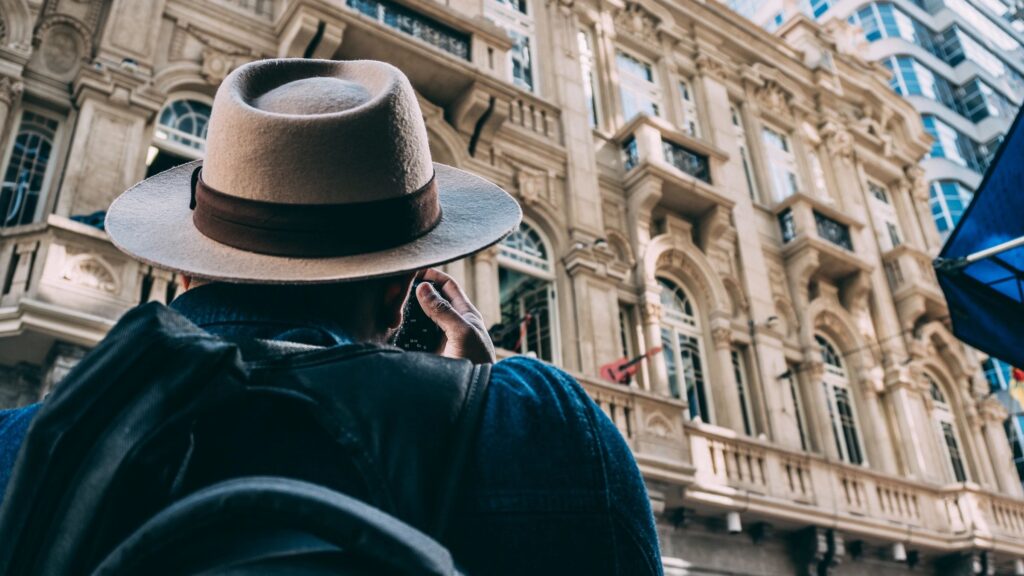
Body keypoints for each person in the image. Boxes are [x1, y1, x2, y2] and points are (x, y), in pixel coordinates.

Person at [0, 58, 661, 575]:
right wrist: (483, 414)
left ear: (184, 266)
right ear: (402, 294)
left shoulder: (17, 449)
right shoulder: (548, 428)